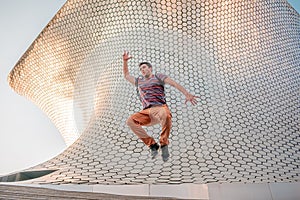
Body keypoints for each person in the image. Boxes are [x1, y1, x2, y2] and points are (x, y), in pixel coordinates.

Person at [123, 51, 198, 161]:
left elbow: (173, 83)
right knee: (130, 121)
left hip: (159, 108)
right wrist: (125, 61)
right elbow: (126, 75)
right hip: (147, 112)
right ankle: (152, 145)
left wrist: (186, 93)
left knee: (166, 114)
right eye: (141, 69)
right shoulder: (139, 81)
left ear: (150, 68)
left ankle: (164, 144)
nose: (142, 70)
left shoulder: (158, 77)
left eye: (144, 67)